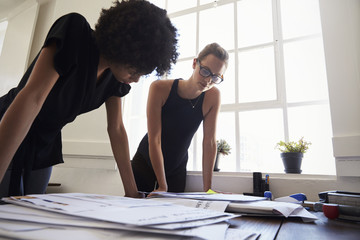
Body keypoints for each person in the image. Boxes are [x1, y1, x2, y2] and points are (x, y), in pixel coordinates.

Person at [0, 0, 178, 198]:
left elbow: (117, 129)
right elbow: (33, 97)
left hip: (45, 144)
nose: (135, 80)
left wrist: (131, 191)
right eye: (134, 70)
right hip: (10, 125)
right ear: (123, 47)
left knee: (30, 216)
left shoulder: (114, 80)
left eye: (141, 74)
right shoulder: (75, 33)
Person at [131, 43, 229, 194]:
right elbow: (154, 139)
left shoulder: (213, 96)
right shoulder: (159, 88)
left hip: (176, 168)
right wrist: (162, 186)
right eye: (205, 71)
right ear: (195, 63)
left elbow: (209, 142)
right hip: (146, 162)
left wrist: (208, 190)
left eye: (215, 77)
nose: (208, 80)